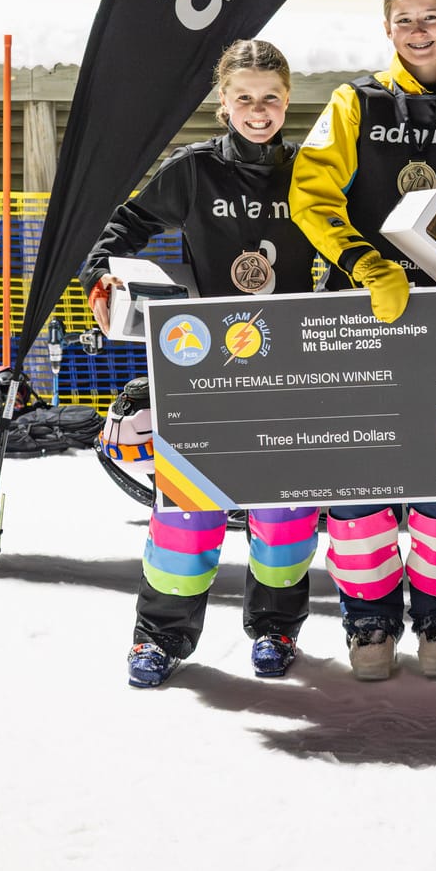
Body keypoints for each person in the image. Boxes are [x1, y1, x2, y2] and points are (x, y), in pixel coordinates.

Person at [289, 0, 436, 681]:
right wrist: (368, 266)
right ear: (386, 29)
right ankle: (369, 620)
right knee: (360, 477)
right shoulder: (353, 102)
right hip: (363, 313)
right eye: (405, 20)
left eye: (431, 17)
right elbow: (311, 195)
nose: (419, 31)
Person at [78, 39, 321, 688]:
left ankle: (274, 629)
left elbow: (357, 248)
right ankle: (157, 640)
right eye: (245, 97)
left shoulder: (313, 172)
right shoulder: (192, 170)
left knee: (285, 517)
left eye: (270, 97)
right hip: (203, 372)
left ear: (287, 99)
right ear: (224, 102)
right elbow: (120, 229)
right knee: (186, 518)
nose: (259, 109)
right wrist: (102, 281)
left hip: (288, 372)